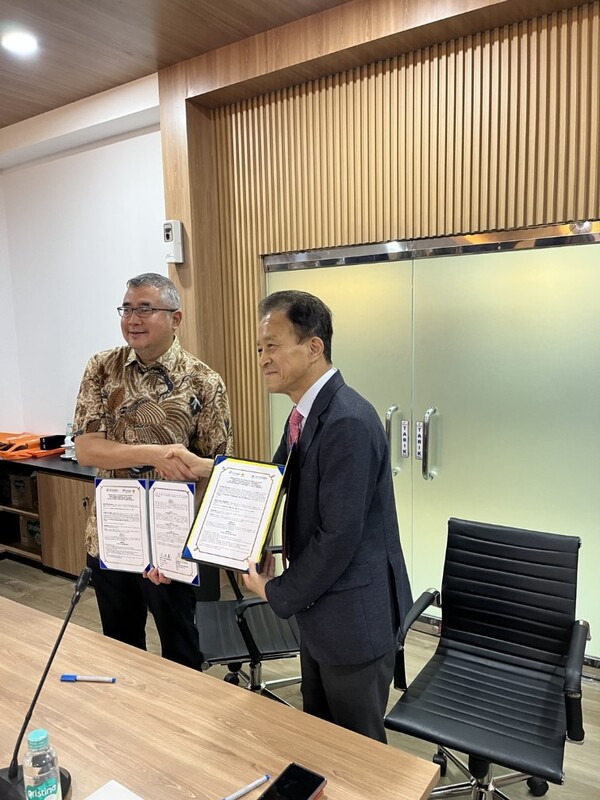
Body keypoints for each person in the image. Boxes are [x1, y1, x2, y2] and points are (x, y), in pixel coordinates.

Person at [243, 289, 412, 742]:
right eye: (259, 348)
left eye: (272, 346)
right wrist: (208, 471)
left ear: (313, 346)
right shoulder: (305, 412)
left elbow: (337, 537)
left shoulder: (347, 421)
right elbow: (273, 478)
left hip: (354, 618)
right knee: (322, 740)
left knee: (358, 751)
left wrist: (275, 591)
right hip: (321, 612)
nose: (262, 358)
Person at [73, 272, 233, 670]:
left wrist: (177, 548)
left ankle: (185, 729)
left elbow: (218, 470)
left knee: (181, 653)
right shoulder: (102, 368)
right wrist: (156, 454)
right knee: (120, 647)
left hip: (171, 542)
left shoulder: (204, 382)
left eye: (145, 309)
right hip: (113, 536)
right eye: (127, 309)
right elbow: (86, 449)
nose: (133, 319)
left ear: (175, 319)